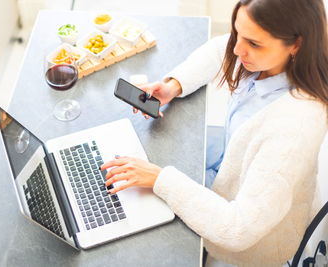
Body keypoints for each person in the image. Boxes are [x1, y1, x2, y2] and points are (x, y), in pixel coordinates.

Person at [100, 0, 328, 266]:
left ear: (296, 44)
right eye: (237, 33)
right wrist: (174, 85)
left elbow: (239, 229)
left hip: (245, 244)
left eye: (253, 43)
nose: (237, 48)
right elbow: (220, 50)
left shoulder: (295, 128)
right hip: (226, 179)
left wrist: (159, 179)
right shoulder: (268, 60)